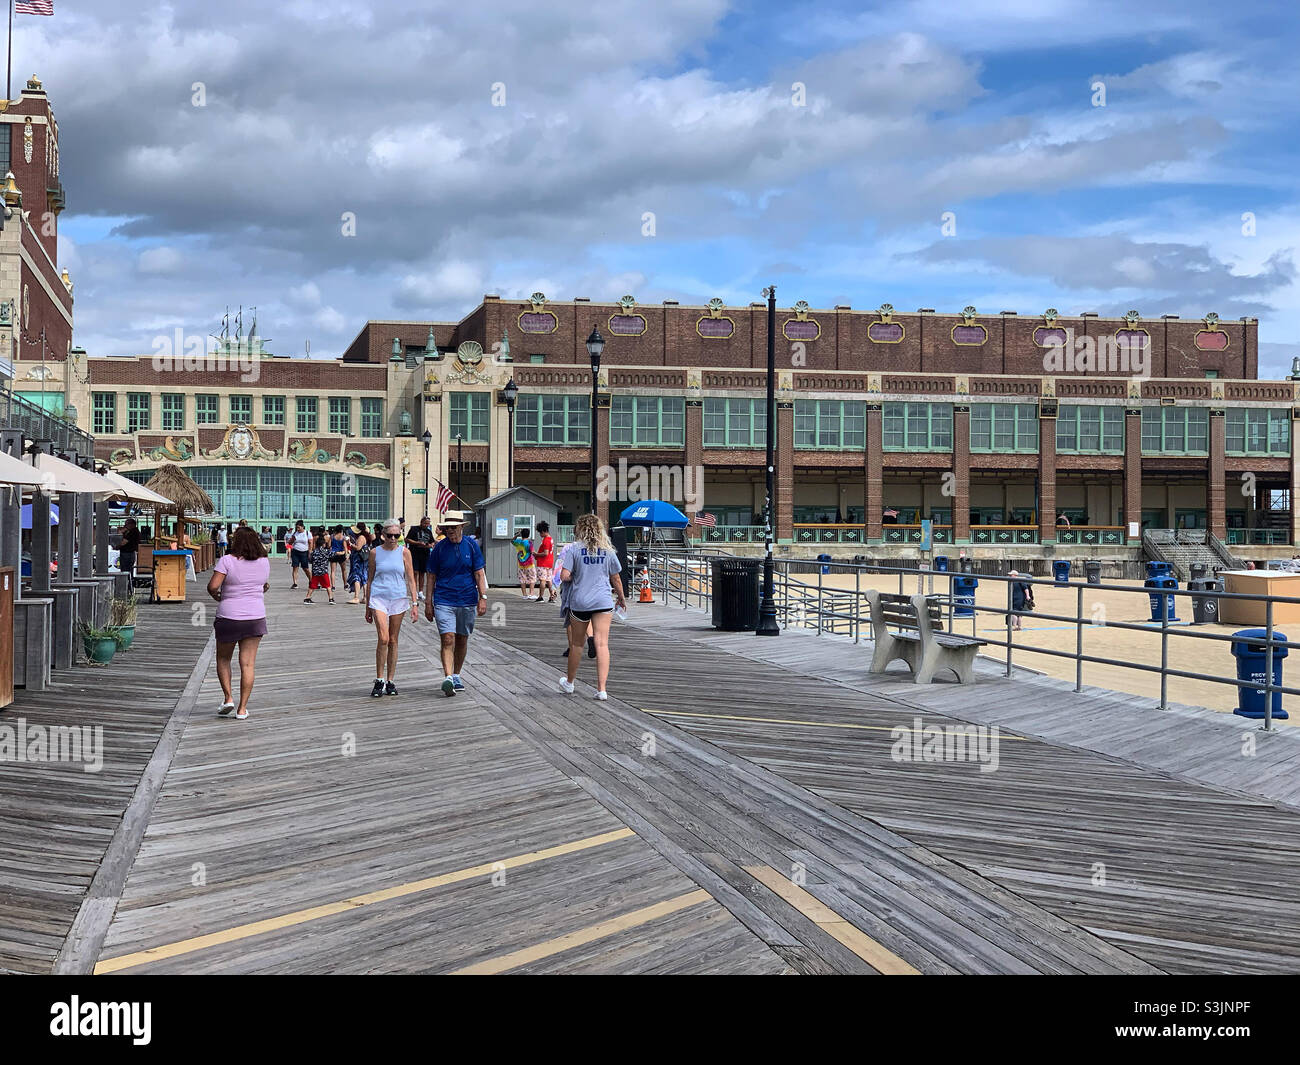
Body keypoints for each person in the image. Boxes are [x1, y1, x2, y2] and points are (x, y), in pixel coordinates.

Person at [559, 513, 626, 700]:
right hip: (603, 601)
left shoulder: (574, 550)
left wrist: (577, 577)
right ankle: (602, 689)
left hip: (580, 601)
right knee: (602, 643)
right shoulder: (608, 550)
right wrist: (621, 598)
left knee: (577, 644)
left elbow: (564, 575)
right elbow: (616, 578)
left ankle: (570, 683)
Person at [206, 526, 270, 720]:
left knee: (224, 659)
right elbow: (263, 585)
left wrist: (218, 596)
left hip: (229, 616)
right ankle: (242, 709)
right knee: (248, 664)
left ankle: (228, 698)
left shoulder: (227, 561)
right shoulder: (264, 562)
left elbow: (213, 586)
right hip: (255, 617)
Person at [423, 510, 488, 697]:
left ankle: (457, 674)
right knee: (448, 637)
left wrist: (482, 597)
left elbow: (479, 573)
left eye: (453, 527)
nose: (449, 530)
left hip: (467, 599)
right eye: (447, 527)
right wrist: (428, 602)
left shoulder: (471, 545)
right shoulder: (439, 548)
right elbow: (431, 576)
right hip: (444, 598)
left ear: (461, 527)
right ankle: (448, 677)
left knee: (462, 638)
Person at [365, 518, 420, 697]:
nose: (393, 538)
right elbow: (370, 579)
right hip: (379, 598)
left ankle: (390, 680)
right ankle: (379, 679)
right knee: (383, 638)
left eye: (397, 535)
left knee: (394, 640)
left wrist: (415, 603)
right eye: (390, 535)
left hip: (398, 598)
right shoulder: (375, 553)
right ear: (383, 536)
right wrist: (367, 606)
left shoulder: (404, 553)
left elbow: (411, 579)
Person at [406, 516, 434, 598]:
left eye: (428, 524)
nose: (426, 525)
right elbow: (407, 539)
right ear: (421, 522)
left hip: (425, 553)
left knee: (422, 572)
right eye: (425, 523)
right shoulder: (414, 529)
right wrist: (417, 543)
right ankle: (414, 589)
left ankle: (421, 591)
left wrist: (430, 545)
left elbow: (432, 541)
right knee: (415, 571)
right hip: (415, 552)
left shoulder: (429, 532)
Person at [305, 530, 336, 604]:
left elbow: (310, 560)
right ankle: (331, 598)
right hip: (323, 571)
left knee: (312, 586)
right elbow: (332, 554)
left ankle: (307, 598)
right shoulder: (325, 551)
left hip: (315, 571)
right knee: (328, 585)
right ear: (323, 544)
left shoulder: (314, 552)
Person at [347, 522, 371, 603]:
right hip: (364, 559)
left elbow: (358, 548)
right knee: (364, 577)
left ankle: (356, 597)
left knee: (357, 576)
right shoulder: (367, 536)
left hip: (359, 559)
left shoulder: (361, 537)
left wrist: (351, 544)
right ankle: (365, 597)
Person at [533, 521, 556, 603]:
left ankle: (541, 597)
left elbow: (545, 553)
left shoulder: (546, 540)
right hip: (549, 562)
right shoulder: (551, 539)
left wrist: (536, 554)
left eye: (540, 533)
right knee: (549, 580)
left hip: (543, 563)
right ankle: (552, 595)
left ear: (543, 531)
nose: (540, 535)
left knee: (542, 580)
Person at [511, 527, 536, 599]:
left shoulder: (518, 542)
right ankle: (531, 594)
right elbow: (532, 552)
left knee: (522, 579)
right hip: (529, 563)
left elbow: (512, 541)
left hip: (520, 564)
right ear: (528, 535)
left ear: (521, 535)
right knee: (532, 578)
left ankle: (524, 595)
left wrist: (516, 535)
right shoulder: (529, 543)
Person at [286, 520, 311, 588]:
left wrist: (310, 552)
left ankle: (311, 581)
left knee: (305, 568)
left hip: (304, 552)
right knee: (295, 567)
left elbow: (310, 542)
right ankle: (295, 583)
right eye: (297, 527)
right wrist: (291, 540)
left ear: (302, 526)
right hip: (295, 552)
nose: (298, 529)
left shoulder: (307, 533)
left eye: (299, 527)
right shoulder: (295, 533)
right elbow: (290, 543)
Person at [328, 525, 349, 592]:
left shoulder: (332, 536)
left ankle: (333, 586)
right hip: (341, 554)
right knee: (344, 570)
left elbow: (329, 545)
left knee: (333, 571)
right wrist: (346, 554)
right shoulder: (343, 537)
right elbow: (345, 547)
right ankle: (345, 585)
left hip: (334, 554)